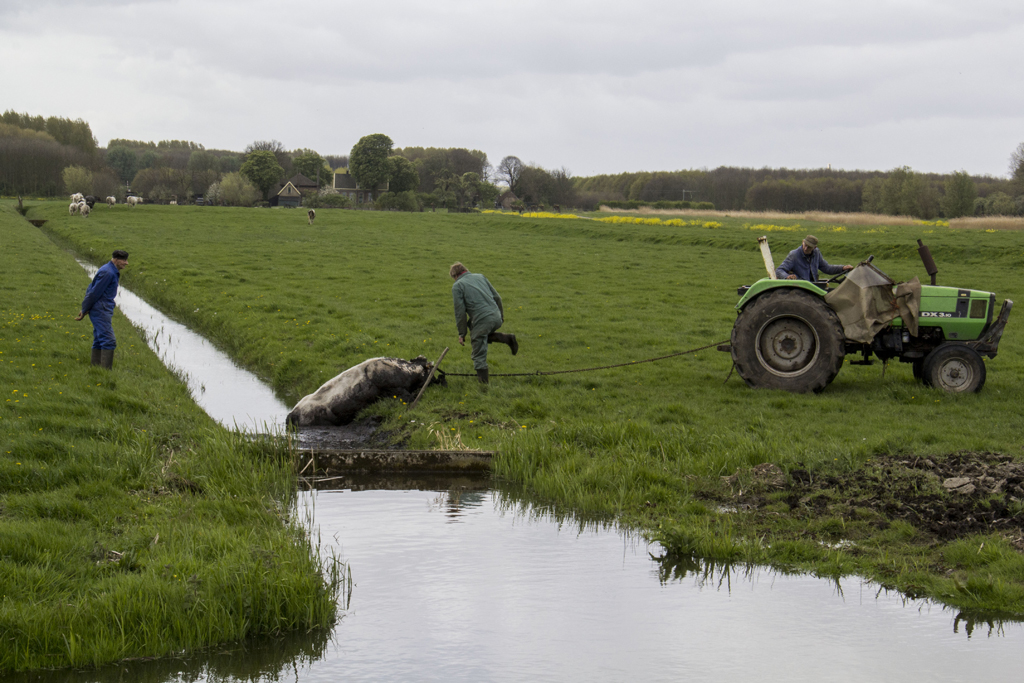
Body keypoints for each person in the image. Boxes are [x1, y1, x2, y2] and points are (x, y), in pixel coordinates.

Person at [450, 262, 518, 384]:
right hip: (496, 316)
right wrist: (501, 316)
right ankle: (507, 338)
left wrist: (462, 334)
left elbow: (460, 313)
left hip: (483, 319)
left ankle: (483, 384)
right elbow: (497, 297)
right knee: (477, 331)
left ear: (455, 276)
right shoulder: (480, 276)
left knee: (478, 348)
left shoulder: (457, 286)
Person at [76, 249, 129, 369]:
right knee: (108, 340)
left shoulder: (109, 269)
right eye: (124, 260)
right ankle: (105, 372)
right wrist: (84, 309)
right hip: (101, 309)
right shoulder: (108, 273)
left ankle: (95, 369)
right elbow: (93, 293)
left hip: (102, 308)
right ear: (115, 259)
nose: (126, 263)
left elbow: (92, 289)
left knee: (99, 339)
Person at [776, 235, 852, 282]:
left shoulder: (816, 253)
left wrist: (843, 268)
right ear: (803, 242)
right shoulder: (794, 255)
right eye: (805, 245)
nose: (805, 248)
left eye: (809, 247)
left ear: (814, 247)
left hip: (812, 285)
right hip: (800, 287)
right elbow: (779, 270)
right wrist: (787, 277)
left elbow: (826, 268)